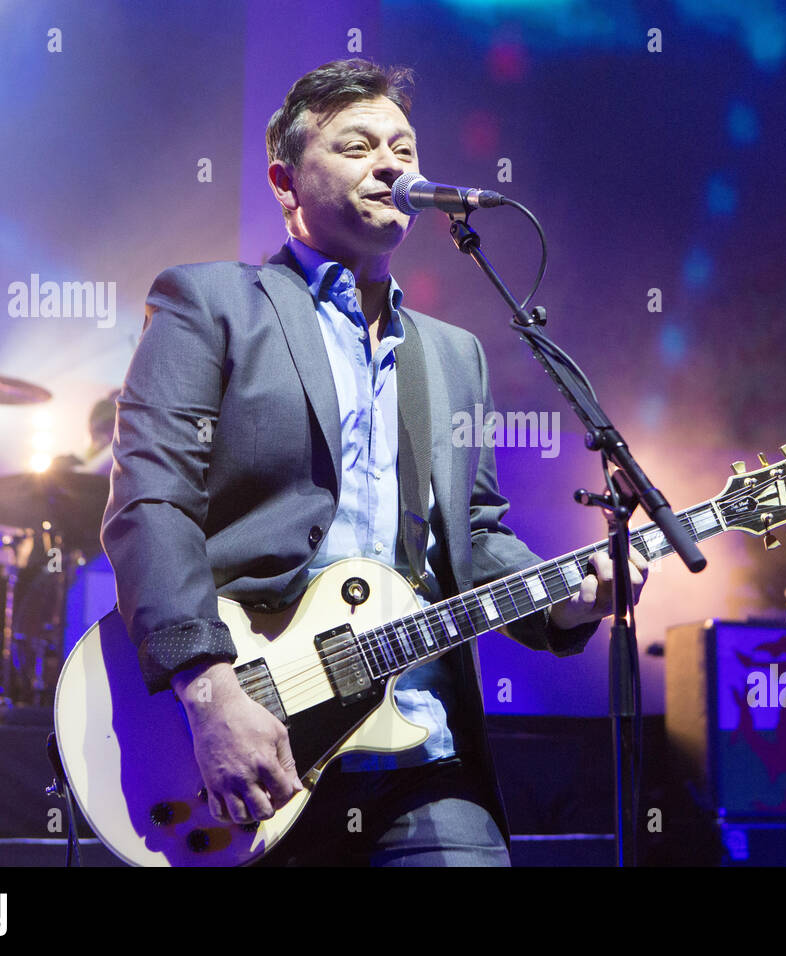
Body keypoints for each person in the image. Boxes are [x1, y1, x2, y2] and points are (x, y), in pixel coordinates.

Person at [100, 58, 647, 866]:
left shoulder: (454, 356)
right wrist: (210, 694)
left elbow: (475, 537)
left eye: (404, 146)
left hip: (419, 752)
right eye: (357, 146)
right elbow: (152, 504)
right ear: (286, 183)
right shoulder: (210, 304)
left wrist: (565, 606)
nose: (391, 163)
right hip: (249, 731)